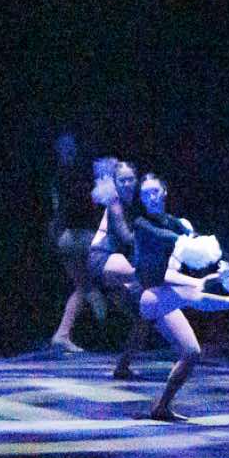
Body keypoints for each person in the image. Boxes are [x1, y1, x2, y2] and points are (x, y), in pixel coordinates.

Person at [127, 173, 229, 422]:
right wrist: (189, 239)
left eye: (154, 192)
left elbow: (201, 242)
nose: (151, 198)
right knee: (190, 291)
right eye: (145, 194)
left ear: (164, 192)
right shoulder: (141, 224)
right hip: (144, 295)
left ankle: (161, 406)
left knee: (191, 352)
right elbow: (168, 237)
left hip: (164, 295)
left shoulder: (175, 222)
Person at [86, 158, 153, 380]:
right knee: (143, 277)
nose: (126, 184)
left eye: (130, 179)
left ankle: (123, 366)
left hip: (113, 265)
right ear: (114, 182)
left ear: (136, 180)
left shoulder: (133, 205)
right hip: (102, 259)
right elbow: (126, 237)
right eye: (121, 180)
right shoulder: (114, 202)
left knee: (144, 315)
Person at [44, 132, 100, 354]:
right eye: (66, 148)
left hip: (64, 235)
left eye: (71, 147)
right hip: (71, 235)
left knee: (83, 286)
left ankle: (62, 334)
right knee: (109, 263)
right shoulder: (67, 175)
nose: (70, 151)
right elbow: (74, 207)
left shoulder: (62, 174)